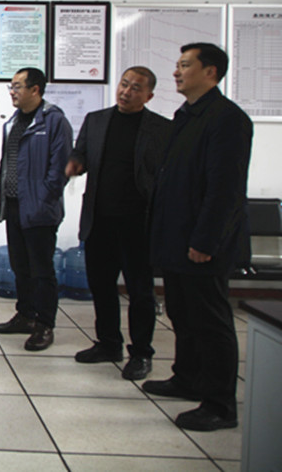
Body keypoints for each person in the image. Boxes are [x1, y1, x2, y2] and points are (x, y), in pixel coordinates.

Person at [143, 43, 253, 432]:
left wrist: (206, 241)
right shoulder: (186, 115)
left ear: (211, 72)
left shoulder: (227, 119)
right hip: (176, 237)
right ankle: (187, 379)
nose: (176, 72)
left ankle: (220, 405)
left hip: (203, 243)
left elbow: (225, 189)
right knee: (182, 313)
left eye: (185, 65)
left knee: (211, 322)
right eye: (177, 65)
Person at [65, 67, 171, 380]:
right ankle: (109, 344)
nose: (126, 91)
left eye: (136, 88)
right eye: (124, 84)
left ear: (149, 96)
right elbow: (81, 152)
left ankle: (141, 353)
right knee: (101, 286)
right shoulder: (96, 120)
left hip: (138, 224)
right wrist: (76, 163)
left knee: (140, 292)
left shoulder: (161, 129)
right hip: (100, 220)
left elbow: (165, 175)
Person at [0, 67, 72, 351]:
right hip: (13, 205)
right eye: (11, 87)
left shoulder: (54, 121)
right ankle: (25, 315)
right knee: (20, 266)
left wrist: (43, 199)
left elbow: (60, 169)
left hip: (39, 209)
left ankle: (44, 325)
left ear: (35, 89)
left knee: (41, 270)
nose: (12, 92)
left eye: (17, 86)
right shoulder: (14, 121)